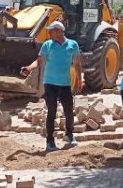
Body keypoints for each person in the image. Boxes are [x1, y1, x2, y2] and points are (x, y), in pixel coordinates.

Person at [21, 21, 83, 152]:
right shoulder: (47, 45)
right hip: (50, 84)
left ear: (60, 31)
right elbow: (39, 61)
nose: (49, 33)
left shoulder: (73, 45)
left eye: (52, 31)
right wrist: (28, 68)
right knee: (52, 112)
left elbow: (77, 63)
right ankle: (50, 141)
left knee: (68, 110)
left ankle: (69, 136)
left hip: (65, 84)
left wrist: (79, 80)